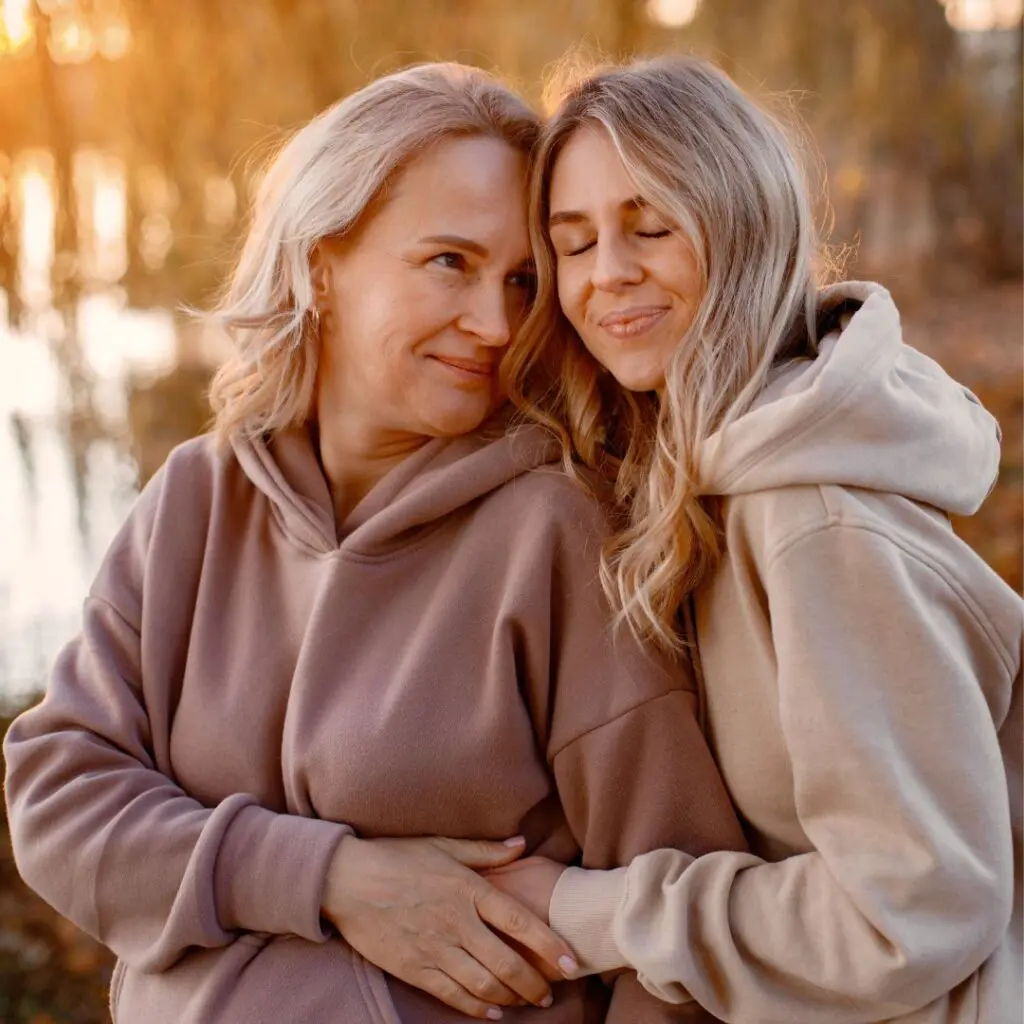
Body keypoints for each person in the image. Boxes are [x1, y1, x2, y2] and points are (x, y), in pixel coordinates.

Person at [3, 62, 748, 1023]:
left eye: (523, 280)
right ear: (322, 262)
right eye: (450, 262)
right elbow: (63, 800)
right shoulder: (197, 497)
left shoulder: (555, 535)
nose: (495, 324)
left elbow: (676, 936)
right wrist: (333, 879)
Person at [496, 55, 1023, 1023]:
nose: (608, 274)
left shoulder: (811, 518)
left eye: (648, 227)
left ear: (740, 229)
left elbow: (908, 908)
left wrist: (593, 910)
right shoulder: (694, 472)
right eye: (573, 244)